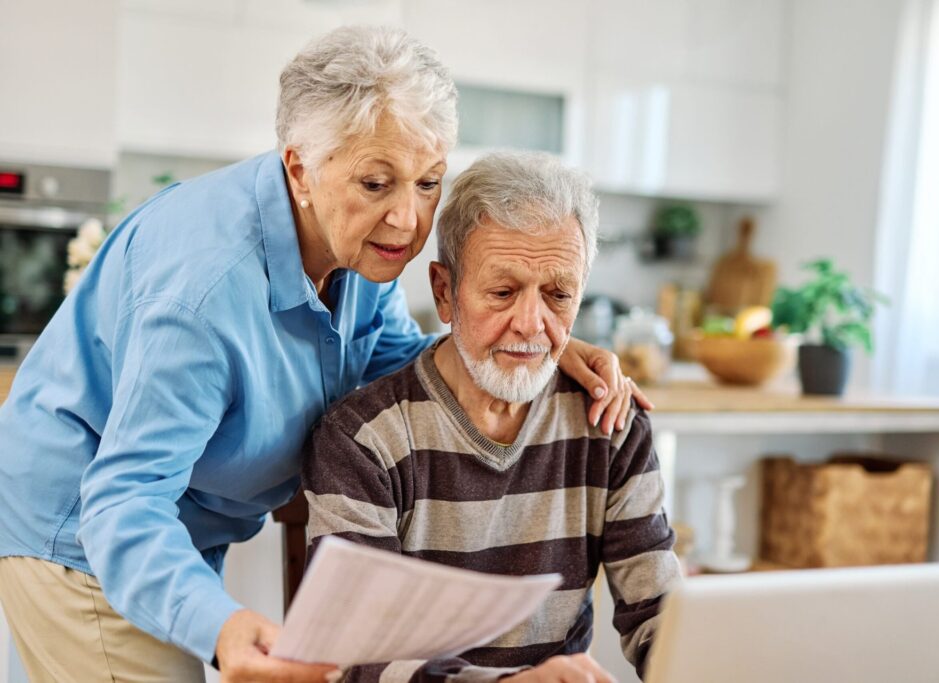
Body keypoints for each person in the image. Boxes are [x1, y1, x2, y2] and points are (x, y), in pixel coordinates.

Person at [0, 27, 646, 683]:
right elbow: (122, 501)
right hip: (80, 531)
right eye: (376, 183)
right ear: (300, 170)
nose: (407, 220)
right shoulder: (201, 295)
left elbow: (404, 364)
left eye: (428, 182)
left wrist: (524, 345)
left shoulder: (357, 251)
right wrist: (220, 627)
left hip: (174, 527)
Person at [303, 152, 682, 683]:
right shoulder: (364, 439)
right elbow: (359, 649)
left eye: (558, 294)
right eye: (502, 292)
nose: (531, 324)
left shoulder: (610, 425)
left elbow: (661, 614)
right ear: (444, 292)